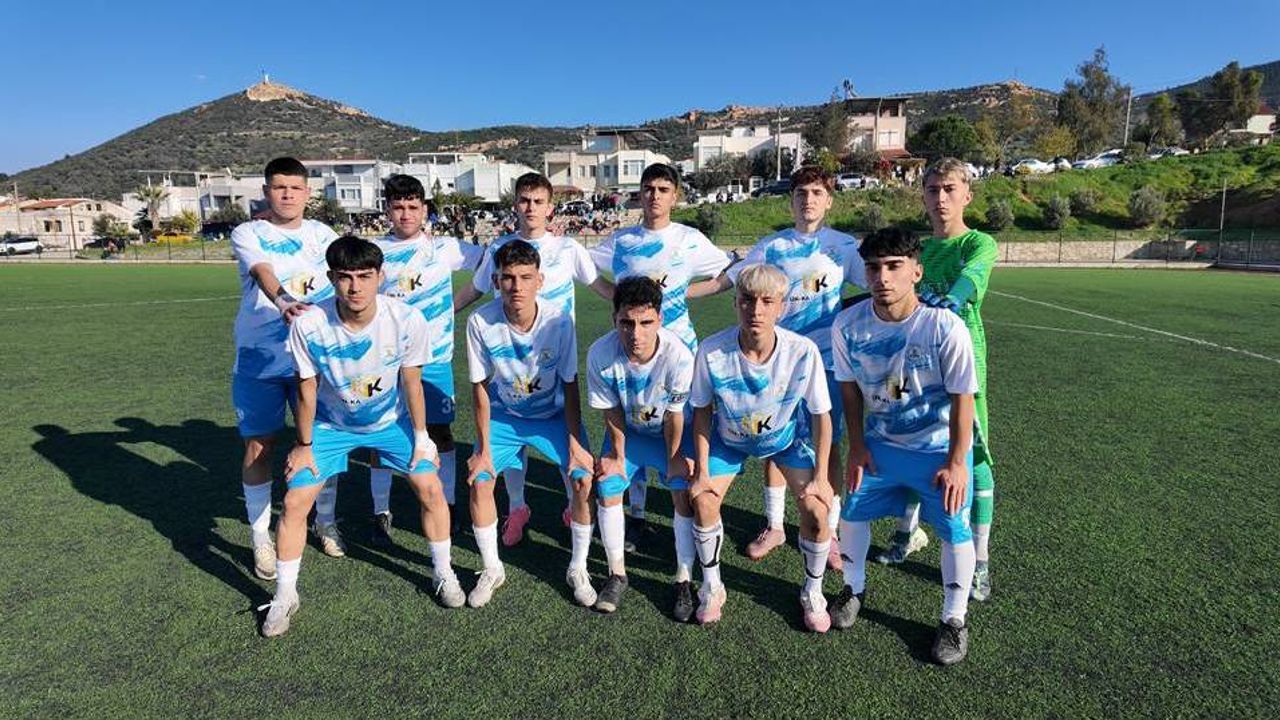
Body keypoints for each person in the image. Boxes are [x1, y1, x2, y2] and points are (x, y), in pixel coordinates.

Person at [259, 236, 459, 638]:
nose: (355, 287)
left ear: (380, 277)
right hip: (331, 426)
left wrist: (422, 437)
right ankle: (284, 595)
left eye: (365, 276)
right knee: (295, 500)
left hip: (390, 423)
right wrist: (303, 445)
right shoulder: (309, 324)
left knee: (430, 486)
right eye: (345, 277)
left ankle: (443, 572)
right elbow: (307, 389)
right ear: (331, 278)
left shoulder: (407, 319)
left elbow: (412, 383)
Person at [689, 166, 862, 571]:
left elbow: (875, 285)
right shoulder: (772, 246)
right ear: (791, 200)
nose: (808, 200)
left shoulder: (843, 247)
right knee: (774, 433)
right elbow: (729, 280)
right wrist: (673, 294)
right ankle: (775, 524)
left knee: (828, 442)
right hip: (777, 360)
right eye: (801, 193)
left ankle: (830, 530)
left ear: (829, 200)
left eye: (817, 192)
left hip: (827, 361)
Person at [830, 226, 978, 665]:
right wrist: (857, 447)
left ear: (916, 271)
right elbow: (849, 390)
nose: (882, 277)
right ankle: (853, 589)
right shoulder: (847, 325)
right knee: (852, 511)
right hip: (882, 445)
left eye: (894, 266)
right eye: (873, 268)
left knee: (954, 528)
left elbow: (963, 398)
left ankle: (954, 618)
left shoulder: (943, 327)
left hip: (938, 450)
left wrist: (957, 462)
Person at [455, 172, 612, 547]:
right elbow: (475, 289)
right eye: (524, 200)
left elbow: (600, 287)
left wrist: (639, 303)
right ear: (515, 205)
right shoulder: (499, 248)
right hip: (509, 357)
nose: (530, 208)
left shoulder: (567, 248)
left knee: (564, 439)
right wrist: (438, 315)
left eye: (538, 201)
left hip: (553, 359)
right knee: (514, 441)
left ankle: (571, 507)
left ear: (549, 207)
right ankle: (518, 508)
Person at [592, 163, 731, 551]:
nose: (655, 195)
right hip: (632, 348)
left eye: (663, 189)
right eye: (648, 188)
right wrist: (616, 299)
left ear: (675, 196)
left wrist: (687, 293)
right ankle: (636, 516)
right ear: (640, 194)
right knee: (633, 421)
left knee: (677, 429)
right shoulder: (622, 240)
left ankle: (683, 515)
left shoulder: (689, 239)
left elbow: (730, 272)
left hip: (678, 350)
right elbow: (586, 270)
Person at [688, 263, 835, 631]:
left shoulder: (803, 351)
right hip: (729, 440)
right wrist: (702, 471)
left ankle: (813, 591)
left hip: (784, 440)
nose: (756, 310)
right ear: (735, 303)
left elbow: (822, 416)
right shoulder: (711, 350)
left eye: (767, 302)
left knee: (818, 511)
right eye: (747, 300)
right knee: (703, 500)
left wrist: (821, 477)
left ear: (781, 307)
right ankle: (712, 587)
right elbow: (702, 412)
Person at [877, 158, 998, 603]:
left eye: (949, 189)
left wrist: (949, 299)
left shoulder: (978, 242)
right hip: (916, 366)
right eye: (932, 190)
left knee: (973, 459)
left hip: (964, 366)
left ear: (967, 195)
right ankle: (907, 532)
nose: (941, 198)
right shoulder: (919, 250)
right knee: (912, 446)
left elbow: (971, 280)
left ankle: (980, 560)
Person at [463, 239, 597, 609]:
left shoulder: (559, 321)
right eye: (508, 278)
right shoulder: (480, 321)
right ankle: (492, 569)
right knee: (480, 479)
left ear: (540, 280)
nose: (516, 286)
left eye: (525, 277)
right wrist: (483, 449)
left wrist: (576, 444)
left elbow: (570, 384)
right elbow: (480, 389)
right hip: (505, 415)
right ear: (495, 281)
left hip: (552, 414)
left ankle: (578, 568)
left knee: (583, 479)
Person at [230, 157, 340, 581]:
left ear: (307, 193)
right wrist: (283, 301)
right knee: (259, 446)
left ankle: (325, 521)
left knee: (322, 442)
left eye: (295, 187)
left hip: (312, 358)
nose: (288, 194)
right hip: (259, 358)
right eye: (279, 187)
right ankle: (261, 538)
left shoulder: (323, 235)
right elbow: (263, 271)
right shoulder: (249, 233)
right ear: (266, 192)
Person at [370, 175, 483, 543]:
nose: (405, 214)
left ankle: (448, 503)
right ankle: (381, 510)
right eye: (398, 207)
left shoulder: (445, 248)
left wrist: (453, 306)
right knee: (381, 433)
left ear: (424, 210)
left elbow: (490, 264)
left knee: (440, 433)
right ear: (387, 210)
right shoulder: (375, 251)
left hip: (434, 360)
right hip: (386, 361)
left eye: (412, 207)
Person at [586, 276, 696, 618]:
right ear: (614, 319)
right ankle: (617, 574)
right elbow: (611, 410)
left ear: (659, 319)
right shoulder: (600, 353)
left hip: (668, 434)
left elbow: (675, 415)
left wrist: (675, 459)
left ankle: (683, 578)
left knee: (682, 491)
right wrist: (618, 456)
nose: (636, 333)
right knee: (608, 486)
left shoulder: (679, 355)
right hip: (629, 432)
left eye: (646, 323)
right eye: (627, 323)